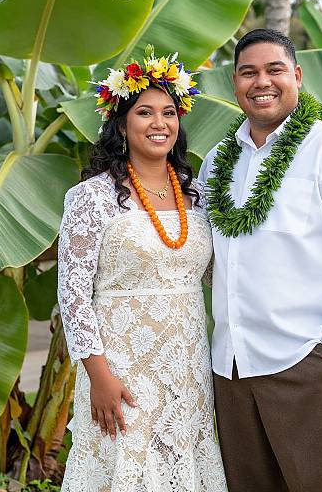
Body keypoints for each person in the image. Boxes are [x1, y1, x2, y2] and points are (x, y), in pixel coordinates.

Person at [198, 29, 322, 492]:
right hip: (232, 366)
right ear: (234, 84)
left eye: (274, 69)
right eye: (248, 72)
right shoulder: (218, 161)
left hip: (306, 359)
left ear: (297, 76)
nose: (261, 81)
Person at [58, 47, 227, 491]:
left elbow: (215, 274)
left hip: (187, 362)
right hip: (121, 365)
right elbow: (73, 297)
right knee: (126, 465)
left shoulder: (199, 196)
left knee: (181, 460)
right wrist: (98, 375)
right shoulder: (90, 198)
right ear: (121, 123)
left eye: (169, 112)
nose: (160, 123)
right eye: (145, 112)